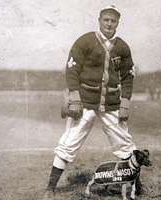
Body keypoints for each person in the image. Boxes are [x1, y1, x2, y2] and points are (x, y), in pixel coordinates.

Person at [43, 5, 138, 199]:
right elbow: (71, 71)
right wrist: (75, 98)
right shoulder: (85, 41)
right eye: (106, 20)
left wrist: (125, 102)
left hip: (111, 102)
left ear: (118, 23)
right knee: (69, 142)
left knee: (125, 143)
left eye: (113, 20)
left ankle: (137, 186)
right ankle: (50, 187)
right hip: (85, 100)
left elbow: (128, 76)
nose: (109, 24)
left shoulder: (122, 46)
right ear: (99, 20)